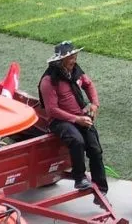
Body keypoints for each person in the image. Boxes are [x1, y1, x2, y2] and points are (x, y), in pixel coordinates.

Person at [38, 41, 108, 193]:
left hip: (80, 117)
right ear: (60, 61)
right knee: (77, 141)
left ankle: (101, 187)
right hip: (60, 121)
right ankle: (80, 178)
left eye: (75, 56)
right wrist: (77, 119)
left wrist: (95, 104)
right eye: (70, 57)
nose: (74, 60)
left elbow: (89, 85)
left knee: (95, 148)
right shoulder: (48, 81)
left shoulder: (76, 71)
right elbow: (52, 111)